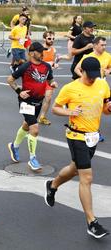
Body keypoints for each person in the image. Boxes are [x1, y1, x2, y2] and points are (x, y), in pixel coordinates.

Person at [45, 57, 110, 239]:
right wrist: (69, 112)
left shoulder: (102, 85)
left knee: (75, 169)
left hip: (93, 136)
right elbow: (56, 109)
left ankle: (52, 185)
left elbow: (105, 108)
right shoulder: (70, 88)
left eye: (96, 76)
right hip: (76, 136)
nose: (93, 79)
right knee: (86, 177)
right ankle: (91, 222)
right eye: (91, 76)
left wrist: (109, 108)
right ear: (82, 72)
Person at [7, 42, 58, 171]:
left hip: (38, 102)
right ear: (31, 53)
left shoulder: (46, 66)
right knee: (34, 129)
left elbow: (50, 80)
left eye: (43, 51)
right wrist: (19, 91)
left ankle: (14, 146)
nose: (42, 53)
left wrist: (53, 83)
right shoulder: (25, 66)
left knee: (26, 125)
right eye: (40, 51)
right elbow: (10, 80)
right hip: (26, 102)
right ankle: (32, 159)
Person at [38, 30, 59, 125]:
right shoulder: (39, 49)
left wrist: (54, 64)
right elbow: (35, 63)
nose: (51, 40)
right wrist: (48, 64)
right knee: (37, 98)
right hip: (37, 77)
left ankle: (42, 117)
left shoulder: (53, 50)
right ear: (44, 39)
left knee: (48, 97)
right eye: (49, 38)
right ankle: (31, 116)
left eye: (53, 39)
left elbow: (52, 63)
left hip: (49, 78)